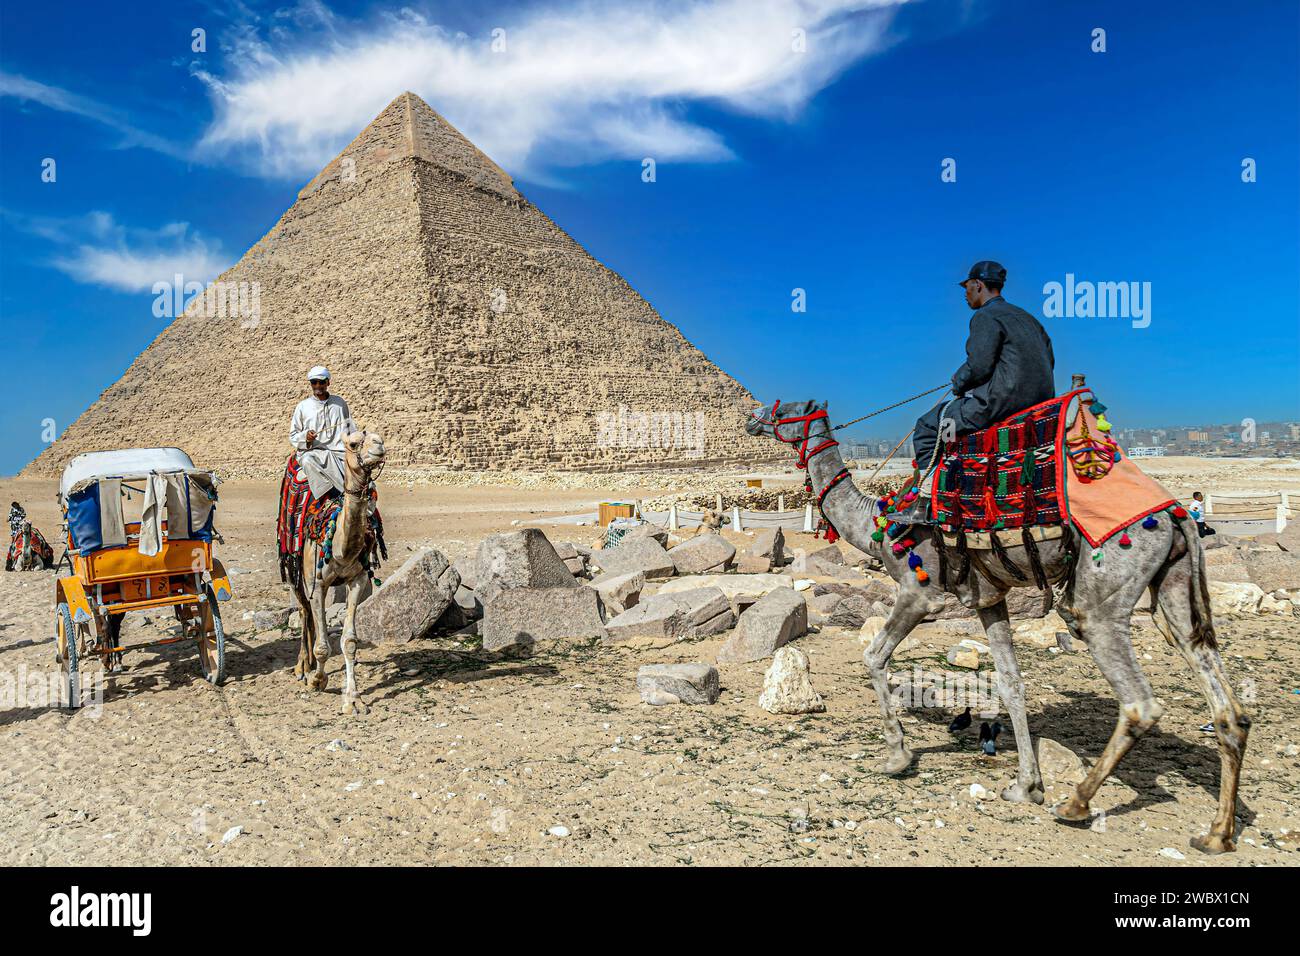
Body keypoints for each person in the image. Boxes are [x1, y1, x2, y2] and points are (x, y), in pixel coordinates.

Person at [892, 261, 1056, 524]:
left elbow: (979, 365)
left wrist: (959, 382)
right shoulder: (1029, 319)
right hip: (1040, 404)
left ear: (978, 285)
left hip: (998, 402)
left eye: (967, 287)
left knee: (927, 427)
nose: (965, 293)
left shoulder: (985, 316)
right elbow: (1047, 361)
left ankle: (924, 503)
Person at [290, 366, 356, 499]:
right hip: (314, 452)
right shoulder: (303, 407)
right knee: (307, 460)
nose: (318, 385)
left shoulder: (339, 403)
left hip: (340, 452)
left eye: (321, 382)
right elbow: (293, 435)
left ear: (328, 382)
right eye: (314, 382)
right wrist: (306, 437)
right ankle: (331, 496)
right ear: (311, 384)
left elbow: (350, 428)